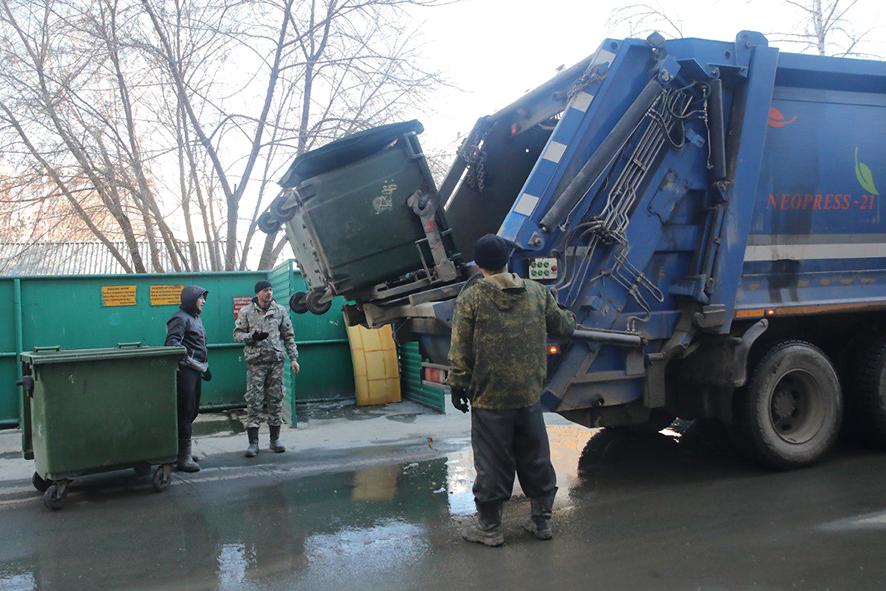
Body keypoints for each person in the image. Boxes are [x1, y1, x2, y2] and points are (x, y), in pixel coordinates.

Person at [448, 234, 576, 547]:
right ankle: (541, 522)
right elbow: (565, 326)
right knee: (535, 456)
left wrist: (458, 384)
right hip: (528, 394)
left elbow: (460, 348)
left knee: (492, 462)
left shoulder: (472, 298)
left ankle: (490, 529)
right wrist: (565, 310)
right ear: (508, 260)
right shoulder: (537, 292)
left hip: (489, 397)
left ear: (479, 265)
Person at [234, 280, 300, 457]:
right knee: (254, 401)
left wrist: (294, 358)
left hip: (276, 363)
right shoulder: (246, 311)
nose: (269, 292)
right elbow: (237, 335)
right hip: (256, 363)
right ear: (257, 293)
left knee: (276, 399)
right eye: (265, 290)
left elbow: (288, 336)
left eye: (270, 289)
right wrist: (252, 337)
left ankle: (274, 440)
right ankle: (253, 443)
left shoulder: (280, 311)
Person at [165, 285, 211, 473]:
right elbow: (172, 344)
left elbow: (198, 345)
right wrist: (192, 362)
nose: (204, 302)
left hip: (195, 370)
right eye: (201, 298)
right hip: (185, 372)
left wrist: (204, 366)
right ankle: (183, 458)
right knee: (185, 412)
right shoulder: (179, 318)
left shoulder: (195, 318)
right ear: (191, 299)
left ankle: (182, 452)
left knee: (192, 411)